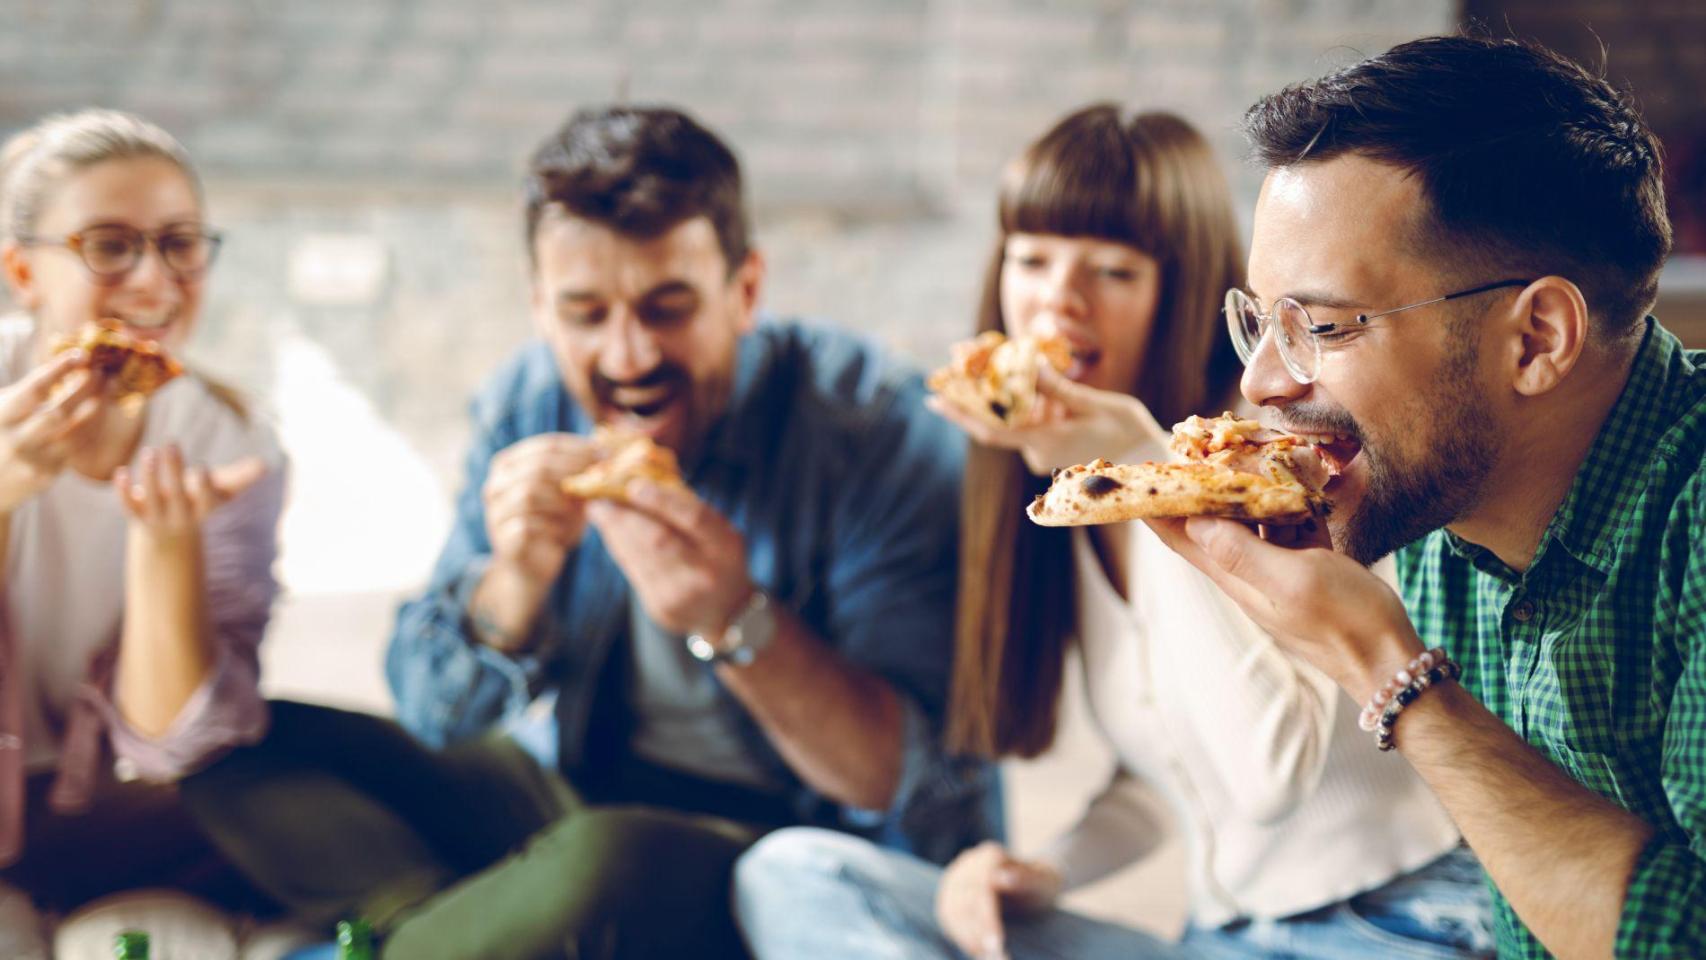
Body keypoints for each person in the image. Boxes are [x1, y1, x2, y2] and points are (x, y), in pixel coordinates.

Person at [184, 104, 995, 959]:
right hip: (569, 793)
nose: (627, 356)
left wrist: (733, 617)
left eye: (667, 307)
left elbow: (905, 784)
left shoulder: (879, 433)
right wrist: (515, 585)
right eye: (585, 313)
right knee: (235, 741)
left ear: (745, 290)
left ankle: (452, 931)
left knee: (606, 860)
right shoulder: (529, 401)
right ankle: (462, 930)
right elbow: (431, 716)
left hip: (783, 853)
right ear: (540, 307)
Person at [735, 105, 1493, 960]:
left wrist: (1149, 473)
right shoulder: (1070, 495)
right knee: (799, 873)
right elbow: (1169, 765)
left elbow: (1265, 777)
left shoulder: (1278, 459)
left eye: (1112, 270)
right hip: (1218, 941)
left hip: (1393, 927)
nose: (1060, 298)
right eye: (1032, 259)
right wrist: (1041, 870)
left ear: (1179, 297)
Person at [1142, 34, 1703, 959]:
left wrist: (1390, 675)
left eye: (1319, 326)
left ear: (1536, 340)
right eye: (1259, 321)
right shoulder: (1440, 512)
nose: (1260, 383)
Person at [0, 110, 289, 957]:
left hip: (111, 820)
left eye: (181, 244)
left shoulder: (232, 443)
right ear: (24, 272)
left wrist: (166, 547)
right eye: (110, 245)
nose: (155, 282)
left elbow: (176, 745)